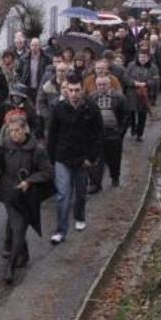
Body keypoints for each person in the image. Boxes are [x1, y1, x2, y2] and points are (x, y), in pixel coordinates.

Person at [0, 114, 53, 284]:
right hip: (10, 196)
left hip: (28, 198)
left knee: (18, 228)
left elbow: (48, 172)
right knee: (18, 229)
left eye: (17, 131)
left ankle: (23, 256)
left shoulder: (37, 150)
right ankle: (10, 268)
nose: (14, 134)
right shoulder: (5, 146)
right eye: (11, 131)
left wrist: (29, 181)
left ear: (25, 129)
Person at [47, 74, 103, 244]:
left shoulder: (91, 109)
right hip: (63, 158)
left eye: (77, 90)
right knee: (63, 195)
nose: (73, 94)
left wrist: (91, 158)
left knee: (80, 193)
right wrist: (52, 158)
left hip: (83, 159)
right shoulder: (59, 109)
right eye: (70, 90)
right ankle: (60, 229)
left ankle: (79, 216)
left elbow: (98, 135)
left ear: (82, 90)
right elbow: (52, 135)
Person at [88, 76, 127, 192]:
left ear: (109, 85)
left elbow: (125, 116)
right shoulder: (91, 98)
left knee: (114, 157)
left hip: (113, 132)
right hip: (97, 133)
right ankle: (96, 183)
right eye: (99, 85)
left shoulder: (119, 97)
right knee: (97, 159)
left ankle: (115, 176)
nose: (102, 87)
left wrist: (120, 131)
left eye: (104, 84)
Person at [125, 48, 160, 141]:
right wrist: (134, 83)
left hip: (145, 94)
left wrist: (147, 83)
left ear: (148, 58)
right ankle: (133, 128)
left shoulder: (153, 68)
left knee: (142, 114)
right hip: (132, 93)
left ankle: (140, 133)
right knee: (131, 112)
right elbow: (126, 78)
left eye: (144, 57)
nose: (142, 59)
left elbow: (156, 80)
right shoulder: (131, 65)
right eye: (141, 57)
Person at [37, 60, 70, 139]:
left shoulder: (71, 85)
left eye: (63, 71)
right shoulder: (48, 85)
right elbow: (40, 102)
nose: (61, 73)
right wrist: (48, 115)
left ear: (68, 72)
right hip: (50, 122)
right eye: (59, 70)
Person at [15, 37, 52, 105]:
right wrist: (20, 82)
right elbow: (18, 72)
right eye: (32, 45)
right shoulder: (24, 58)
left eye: (36, 45)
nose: (34, 47)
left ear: (40, 46)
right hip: (27, 88)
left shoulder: (47, 58)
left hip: (41, 88)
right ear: (30, 46)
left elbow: (50, 72)